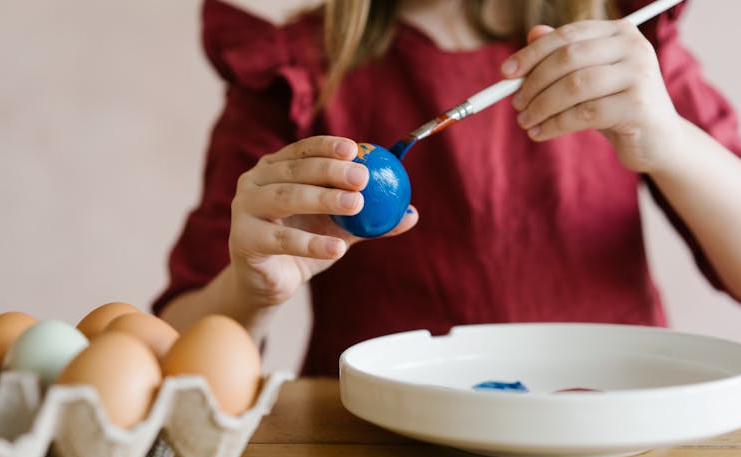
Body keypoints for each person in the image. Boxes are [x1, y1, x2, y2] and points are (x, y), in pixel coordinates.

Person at [154, 0, 741, 376]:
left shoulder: (618, 45)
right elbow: (169, 348)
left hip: (616, 426)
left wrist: (673, 143)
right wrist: (251, 289)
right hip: (381, 451)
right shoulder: (292, 73)